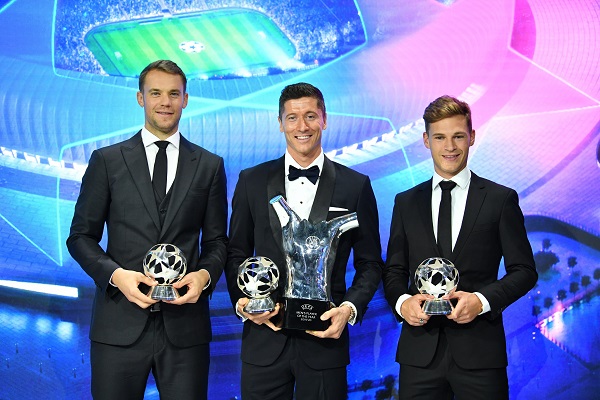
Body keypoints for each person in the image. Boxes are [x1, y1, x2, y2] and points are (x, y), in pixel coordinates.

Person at [66, 60, 228, 400]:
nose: (164, 102)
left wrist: (204, 277)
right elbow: (80, 237)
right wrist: (116, 276)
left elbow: (216, 242)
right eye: (156, 93)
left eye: (173, 94)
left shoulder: (210, 166)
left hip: (186, 331)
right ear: (141, 98)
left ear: (186, 99)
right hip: (118, 327)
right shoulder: (107, 161)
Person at [225, 82, 383, 400]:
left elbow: (370, 263)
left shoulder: (356, 186)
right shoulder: (251, 181)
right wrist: (243, 304)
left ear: (324, 119)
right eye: (293, 117)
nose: (302, 126)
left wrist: (349, 309)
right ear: (280, 122)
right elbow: (236, 252)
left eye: (310, 116)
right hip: (263, 342)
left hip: (325, 340)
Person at [383, 95, 538, 400]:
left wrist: (481, 300)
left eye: (458, 136)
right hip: (419, 355)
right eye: (440, 137)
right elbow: (394, 270)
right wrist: (403, 303)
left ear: (472, 137)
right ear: (426, 140)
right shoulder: (405, 202)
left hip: (481, 354)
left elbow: (524, 271)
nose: (450, 147)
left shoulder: (500, 199)